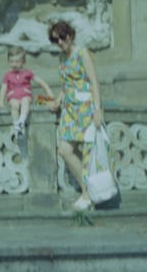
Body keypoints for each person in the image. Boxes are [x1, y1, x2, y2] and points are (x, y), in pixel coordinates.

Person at [47, 20, 104, 211]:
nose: (60, 42)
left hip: (86, 110)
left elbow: (94, 82)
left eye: (62, 38)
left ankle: (88, 195)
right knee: (64, 150)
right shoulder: (62, 59)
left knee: (88, 154)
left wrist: (97, 109)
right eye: (55, 40)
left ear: (70, 36)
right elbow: (66, 86)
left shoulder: (83, 53)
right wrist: (57, 100)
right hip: (70, 111)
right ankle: (88, 191)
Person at [0, 46, 54, 138]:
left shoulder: (27, 73)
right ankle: (16, 126)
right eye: (11, 61)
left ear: (23, 62)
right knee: (14, 105)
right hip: (13, 96)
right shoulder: (7, 75)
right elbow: (3, 89)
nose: (14, 64)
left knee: (25, 101)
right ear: (8, 61)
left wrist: (48, 91)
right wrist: (1, 102)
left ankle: (21, 120)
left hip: (25, 95)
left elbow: (40, 81)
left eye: (17, 61)